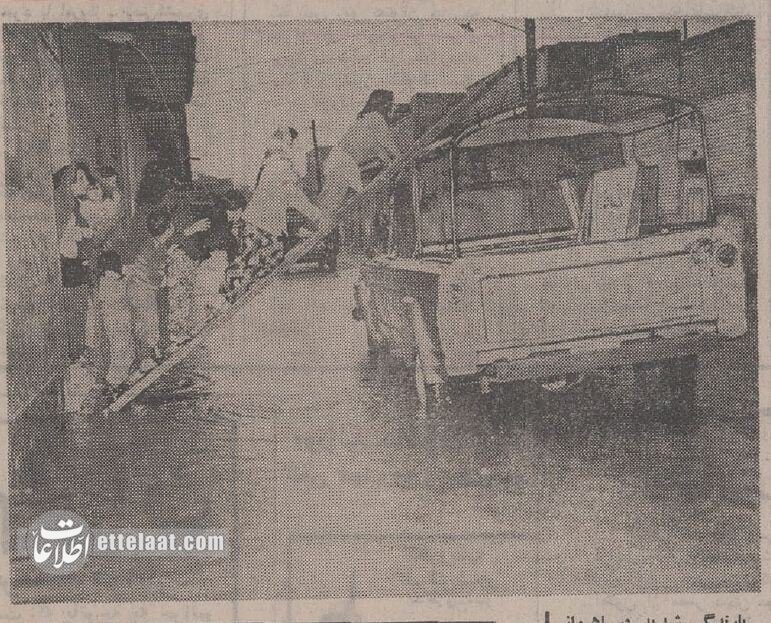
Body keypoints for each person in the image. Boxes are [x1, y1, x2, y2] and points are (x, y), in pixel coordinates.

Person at [318, 90, 400, 223]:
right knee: (332, 206)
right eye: (391, 105)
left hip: (337, 160)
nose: (392, 109)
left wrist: (391, 163)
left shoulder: (365, 121)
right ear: (385, 105)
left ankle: (314, 228)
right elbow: (390, 146)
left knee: (333, 202)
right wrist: (401, 160)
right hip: (343, 162)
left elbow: (379, 150)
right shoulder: (376, 118)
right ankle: (314, 228)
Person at [243, 126, 321, 243]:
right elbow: (294, 195)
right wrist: (316, 215)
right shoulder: (282, 167)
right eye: (293, 141)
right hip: (267, 228)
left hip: (254, 223)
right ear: (289, 141)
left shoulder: (269, 165)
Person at [96, 250, 135, 393]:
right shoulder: (108, 281)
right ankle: (113, 382)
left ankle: (120, 379)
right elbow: (117, 297)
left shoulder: (109, 278)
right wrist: (125, 281)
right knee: (120, 349)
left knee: (126, 349)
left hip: (120, 319)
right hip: (116, 321)